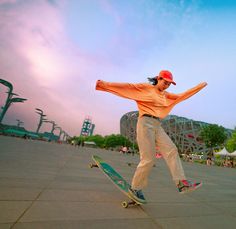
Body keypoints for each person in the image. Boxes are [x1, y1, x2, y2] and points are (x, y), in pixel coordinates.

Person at [96, 70, 207, 203]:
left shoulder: (166, 95)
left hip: (157, 125)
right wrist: (104, 84)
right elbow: (128, 87)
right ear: (158, 79)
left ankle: (181, 183)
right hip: (145, 123)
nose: (166, 85)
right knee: (148, 158)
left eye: (169, 84)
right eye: (165, 82)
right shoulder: (146, 88)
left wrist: (199, 87)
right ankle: (135, 188)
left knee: (172, 149)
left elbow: (181, 96)